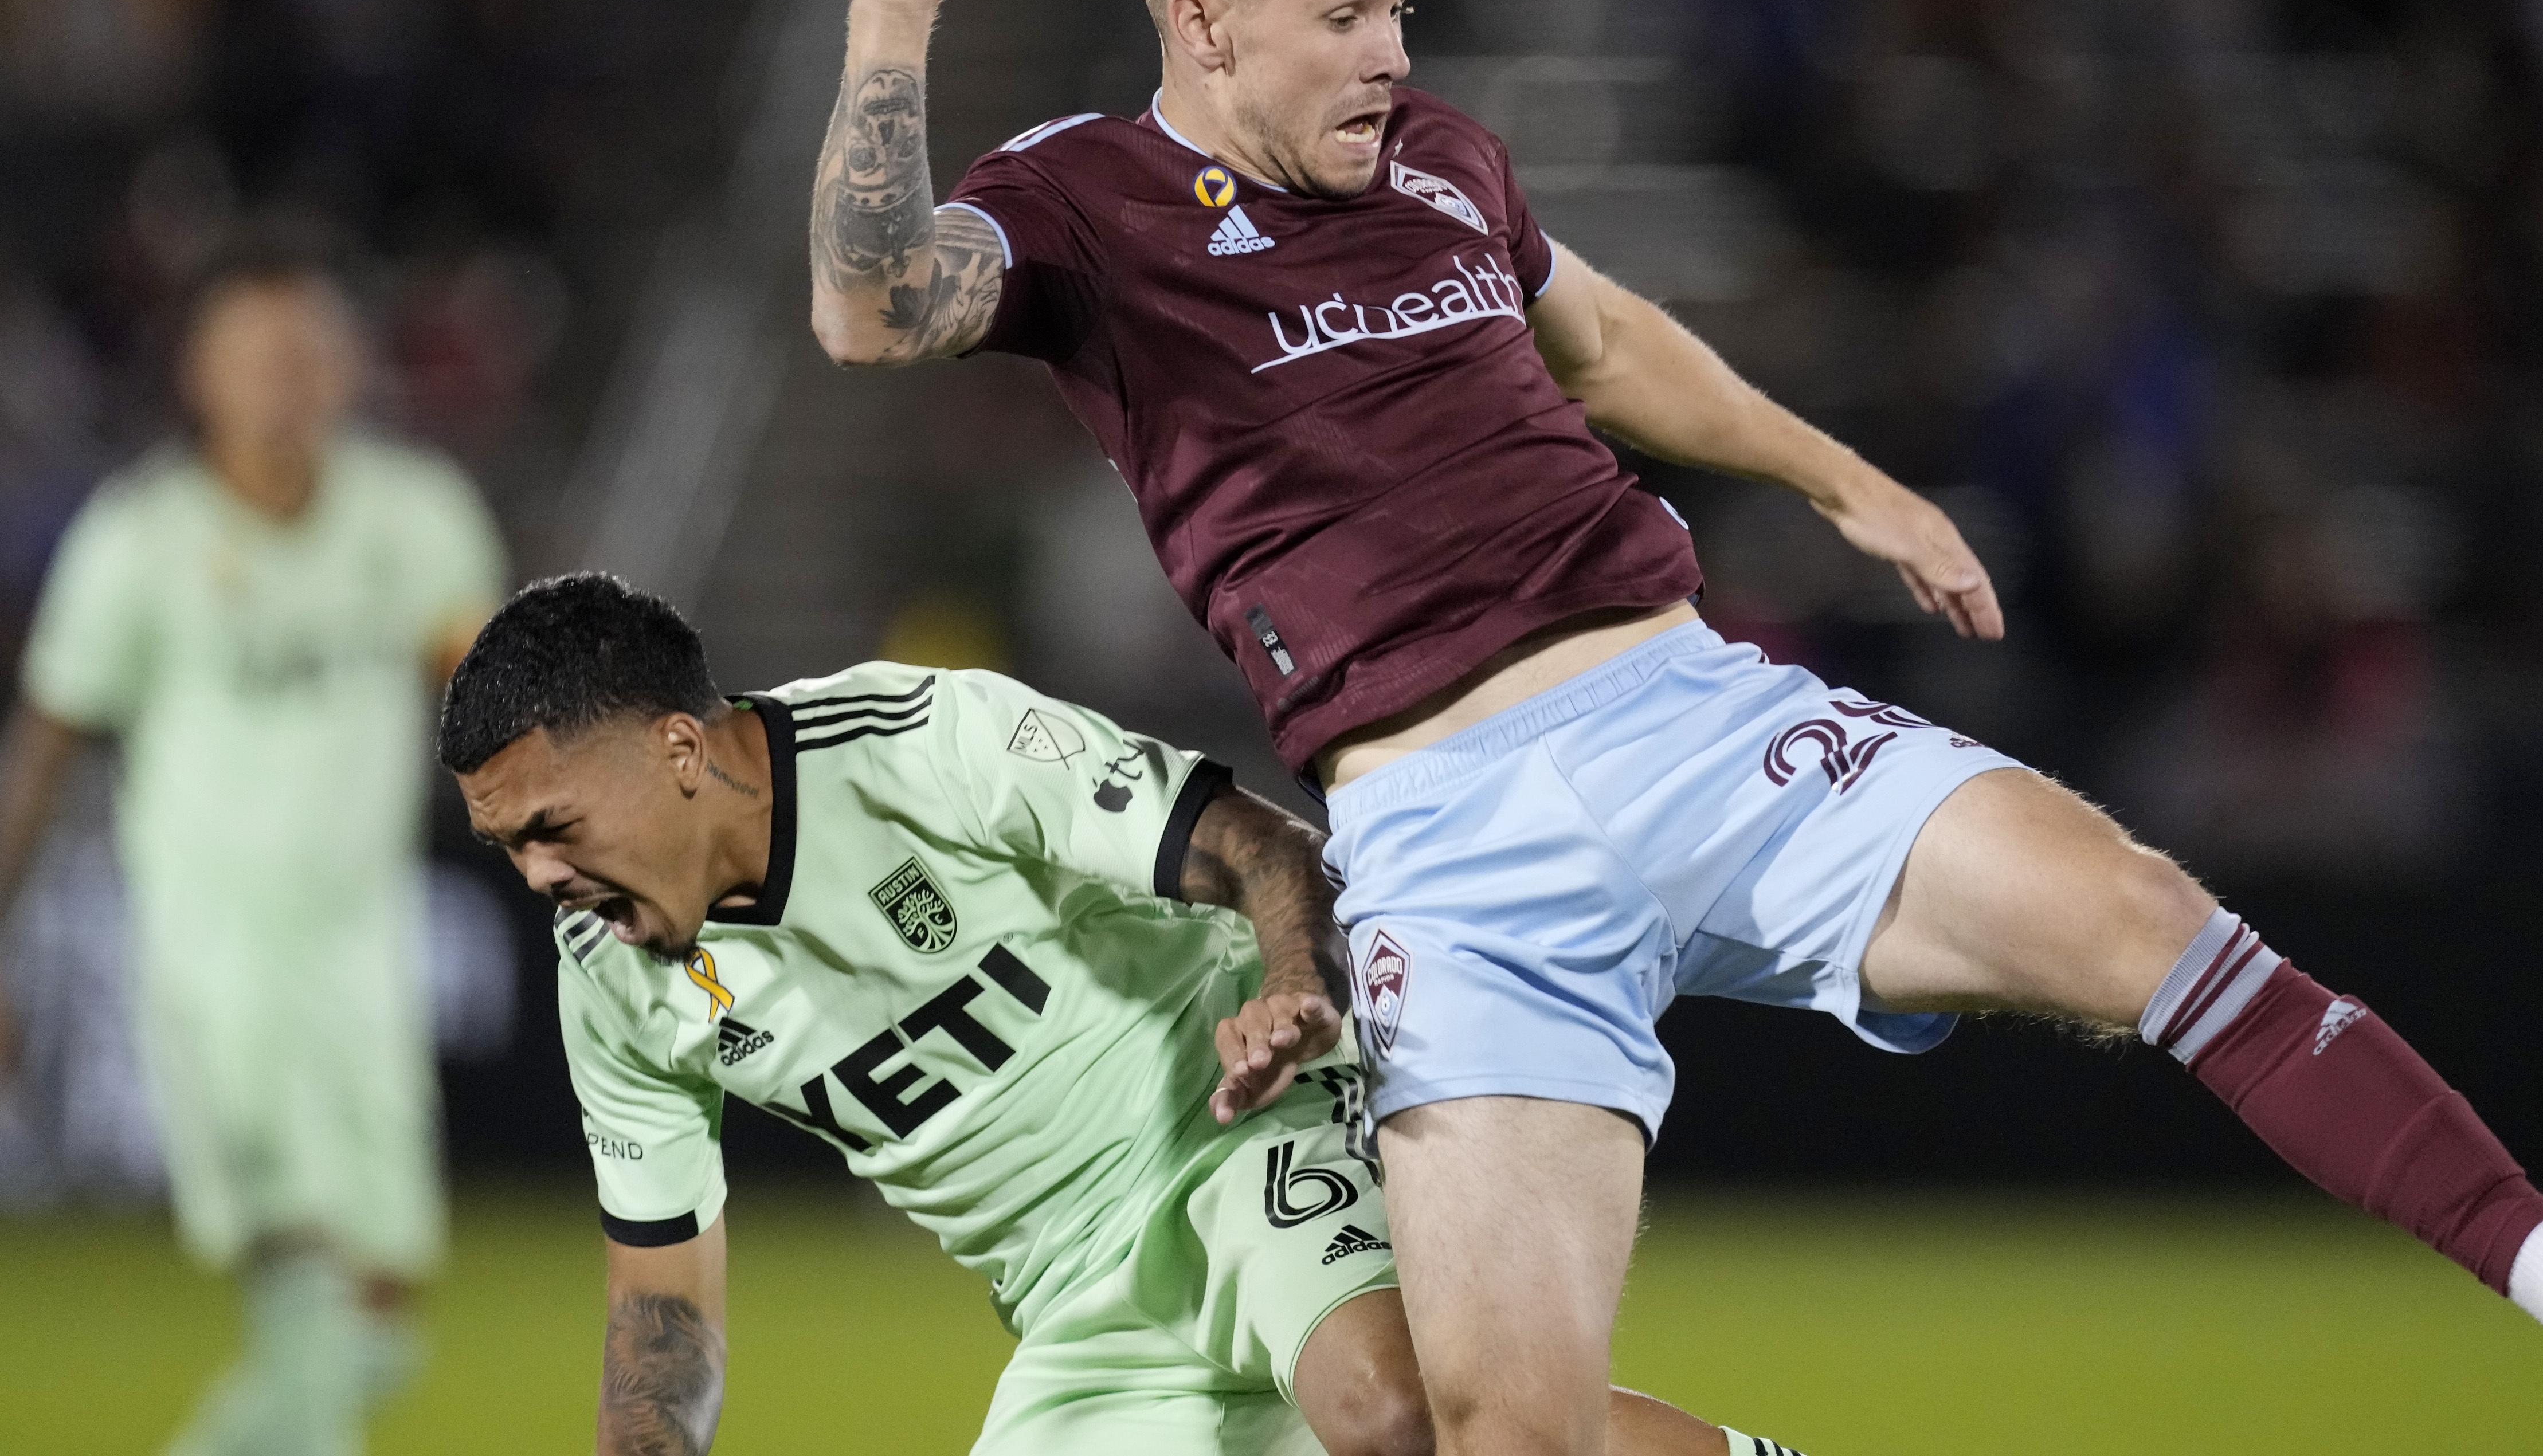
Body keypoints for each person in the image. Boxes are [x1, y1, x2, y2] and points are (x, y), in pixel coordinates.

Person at [801, 0, 2543, 1454]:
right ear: (1204, 19)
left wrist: (1842, 479)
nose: (1397, 49)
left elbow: (1600, 337)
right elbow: (875, 309)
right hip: (1440, 852)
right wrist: (896, 6)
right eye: (1348, 11)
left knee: (2143, 923)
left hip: (1684, 713)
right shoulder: (1079, 198)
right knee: (1503, 1440)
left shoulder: (1442, 165)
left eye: (1402, 1)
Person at [438, 571, 1796, 1456]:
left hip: (1234, 1134)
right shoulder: (608, 981)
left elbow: (1261, 844)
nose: (542, 877)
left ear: (677, 749)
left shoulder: (923, 746)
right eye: (507, 849)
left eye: (551, 827)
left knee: (1390, 1413)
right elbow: (662, 1307)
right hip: (1076, 1297)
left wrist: (1289, 983)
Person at [0, 248, 505, 1456]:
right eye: (259, 355)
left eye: (309, 352)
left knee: (374, 1301)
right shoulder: (139, 541)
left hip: (360, 945)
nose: (287, 380)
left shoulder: (417, 520)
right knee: (313, 1269)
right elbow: (48, 743)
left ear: (345, 369)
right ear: (202, 373)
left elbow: (497, 711)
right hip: (206, 953)